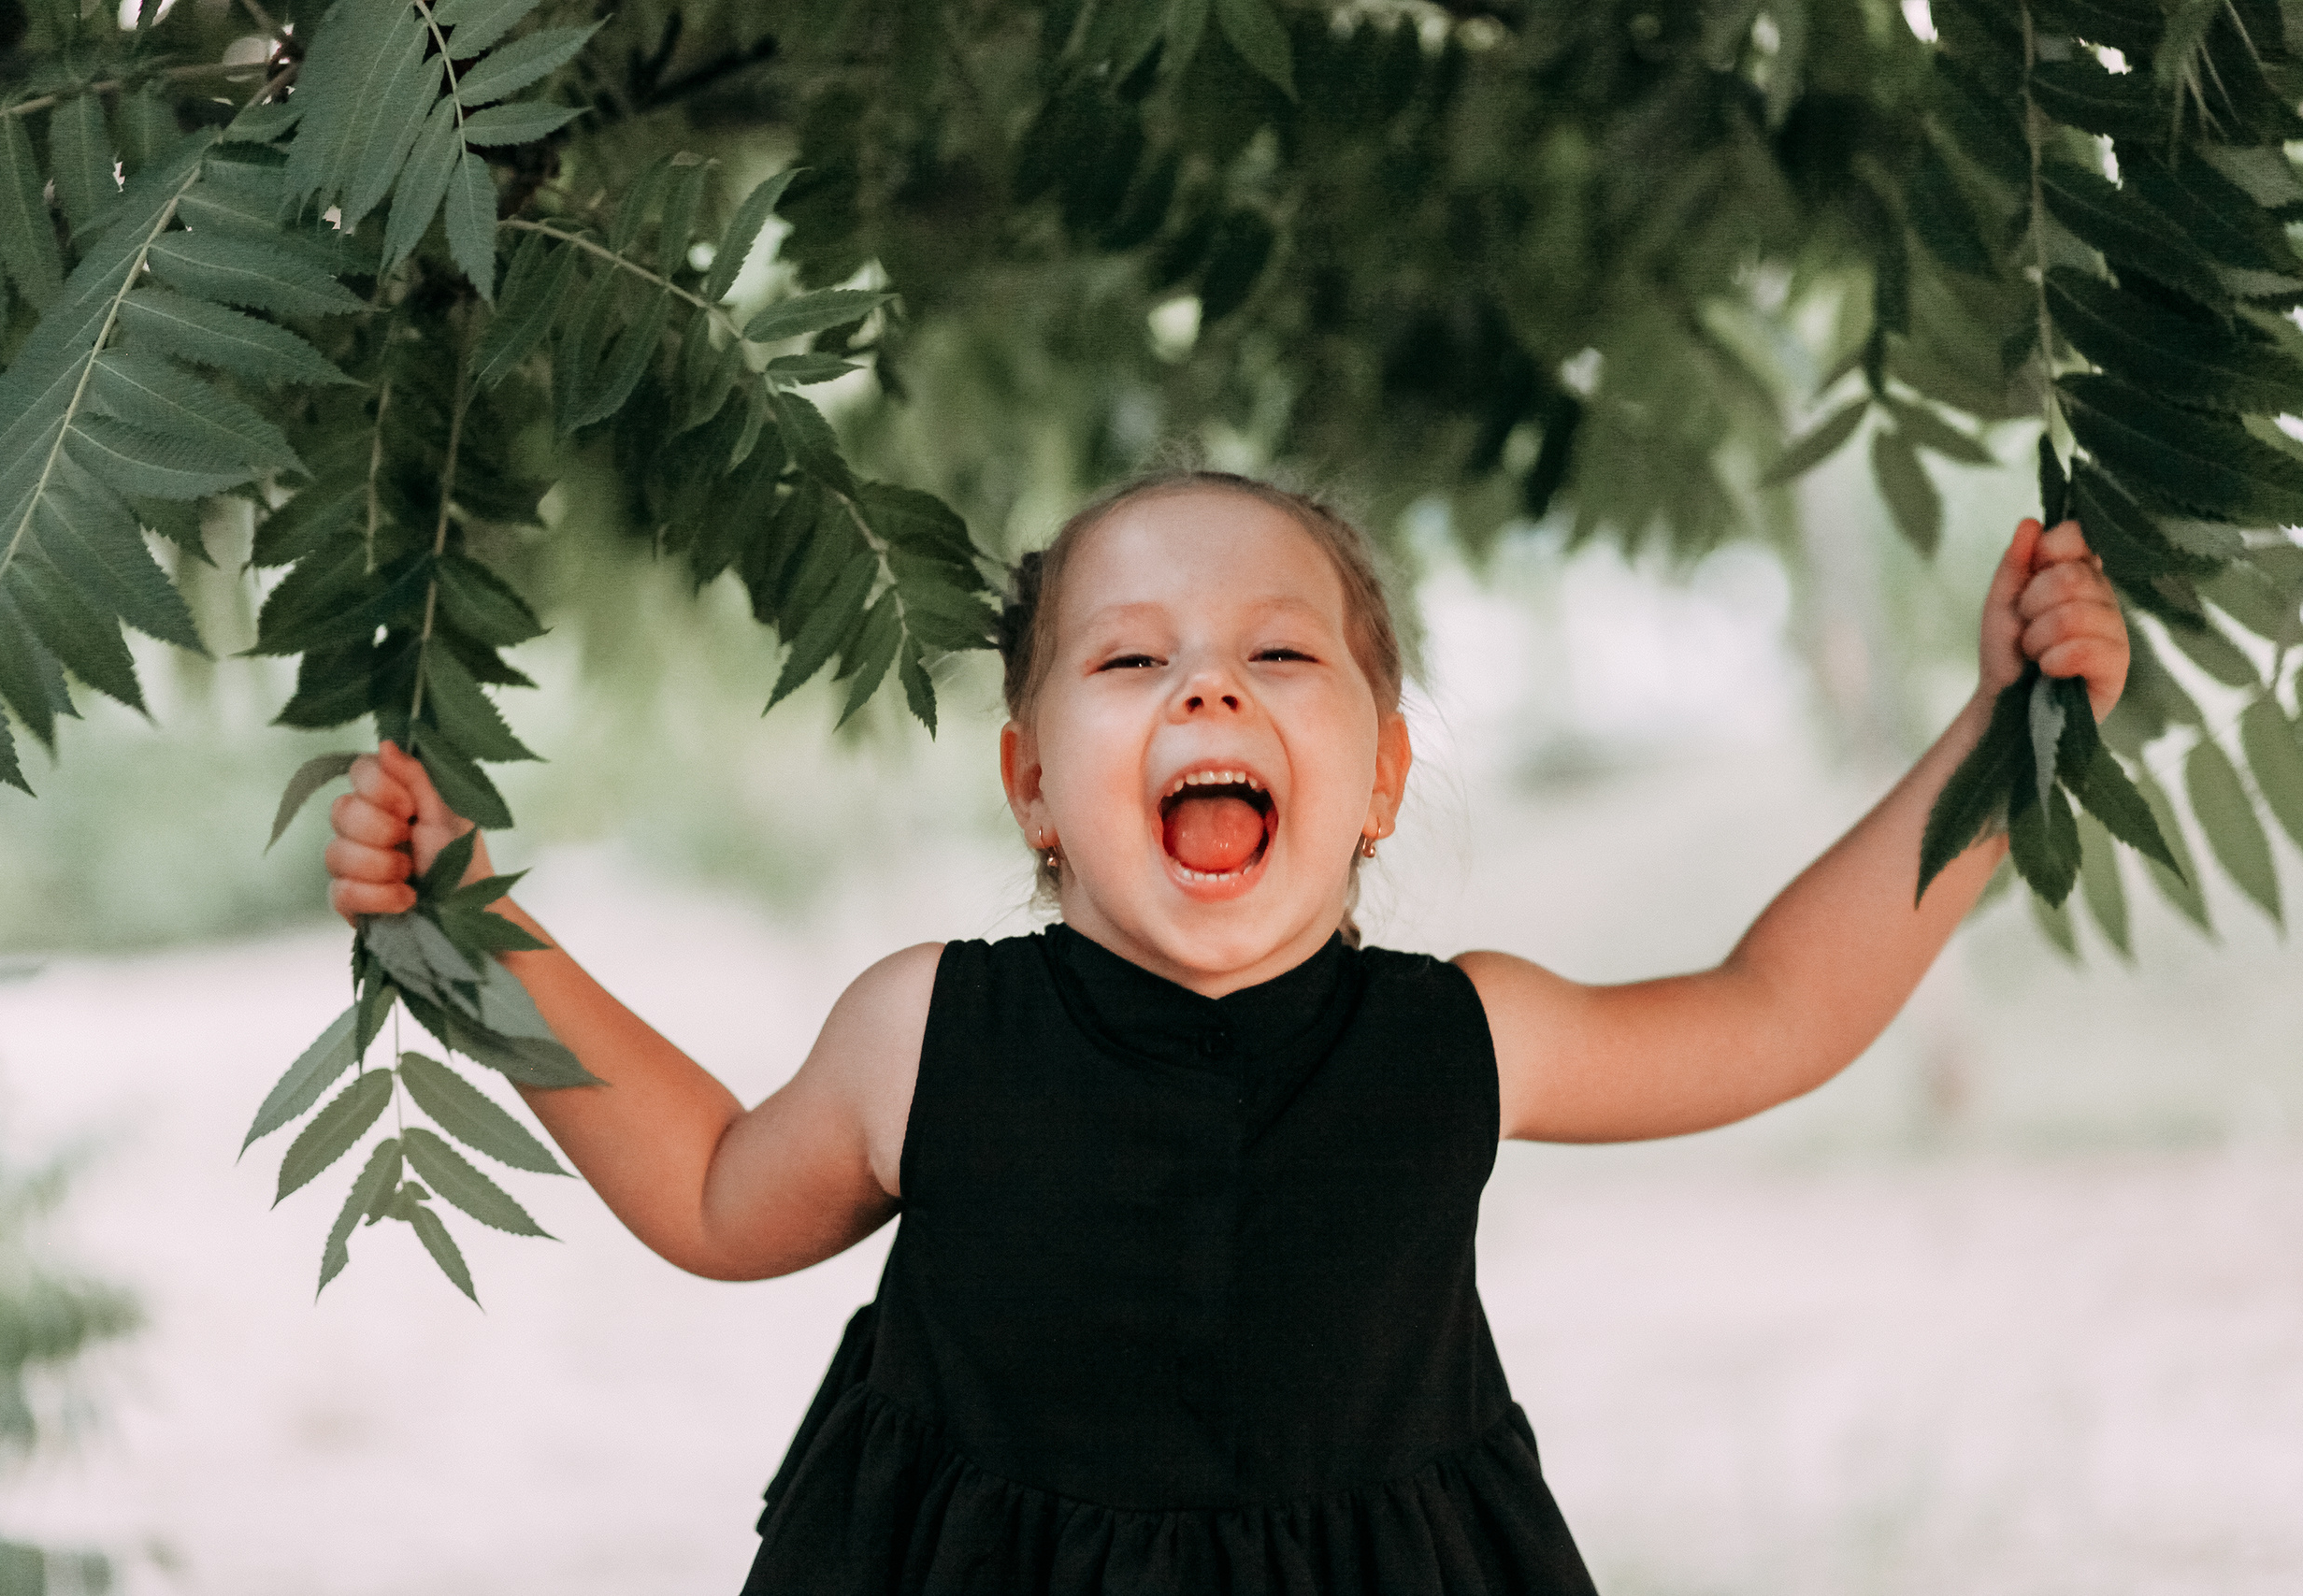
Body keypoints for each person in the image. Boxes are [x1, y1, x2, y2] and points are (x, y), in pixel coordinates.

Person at [323, 469, 2129, 1593]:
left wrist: (2003, 729)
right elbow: (720, 1195)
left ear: (1382, 778)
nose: (1205, 682)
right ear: (1033, 785)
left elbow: (1776, 1012)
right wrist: (475, 934)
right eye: (1129, 661)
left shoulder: (1454, 1042)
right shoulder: (930, 1032)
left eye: (1278, 657)